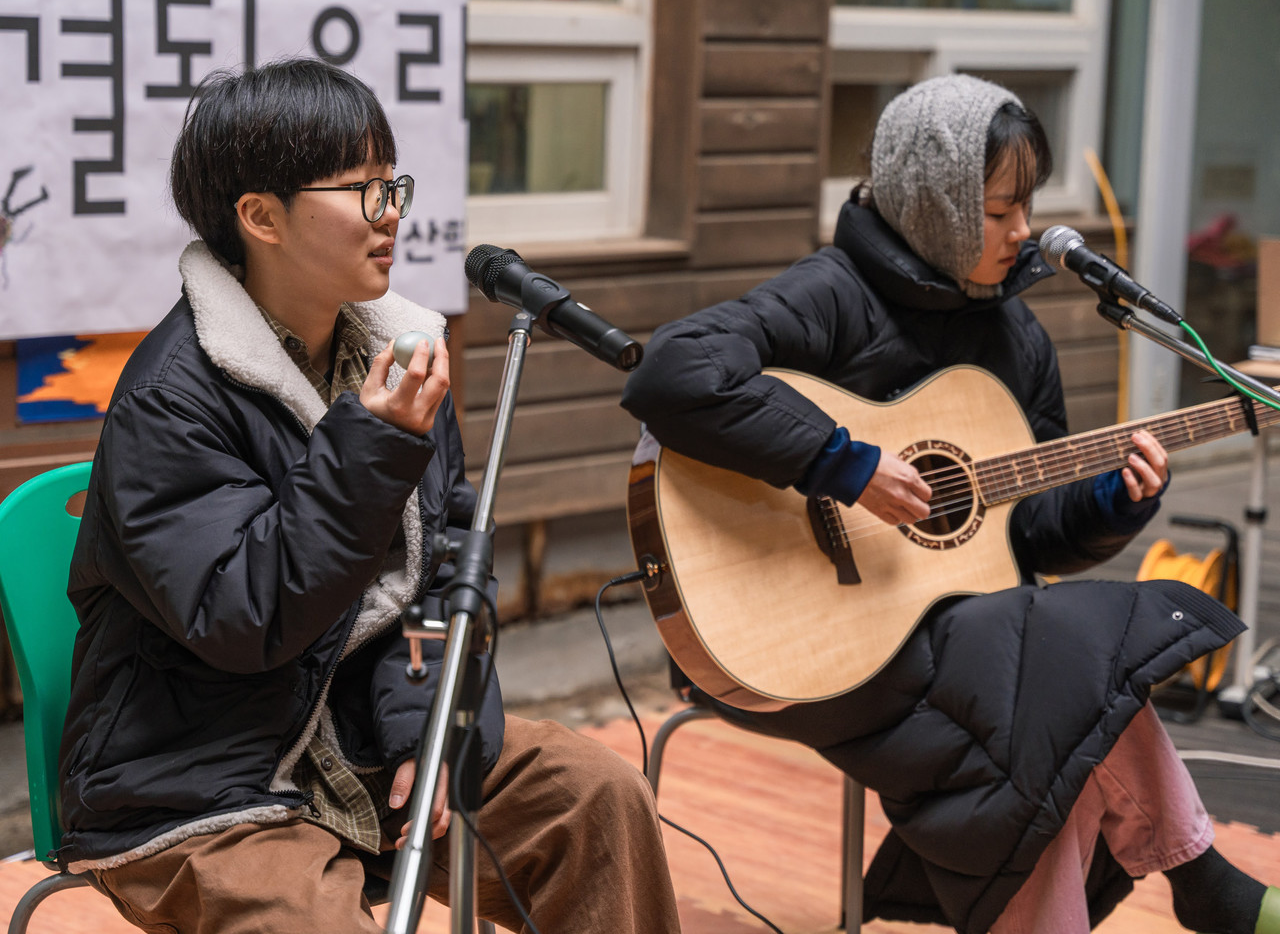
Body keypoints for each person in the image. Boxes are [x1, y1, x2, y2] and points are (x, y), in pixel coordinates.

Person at [622, 74, 1278, 934]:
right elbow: (672, 374)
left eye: (1027, 206)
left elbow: (1027, 538)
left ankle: (1203, 885)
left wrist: (1113, 503)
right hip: (797, 644)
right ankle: (1204, 880)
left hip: (948, 640)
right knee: (1060, 679)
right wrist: (844, 464)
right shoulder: (833, 293)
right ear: (935, 206)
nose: (1023, 231)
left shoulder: (1018, 339)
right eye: (999, 210)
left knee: (1050, 696)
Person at [56, 57, 681, 934]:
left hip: (362, 736)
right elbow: (245, 617)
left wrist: (427, 729)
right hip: (196, 779)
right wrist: (372, 450)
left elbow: (446, 575)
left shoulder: (396, 355)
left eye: (393, 184)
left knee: (598, 800)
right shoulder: (171, 399)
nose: (391, 213)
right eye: (362, 190)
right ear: (261, 217)